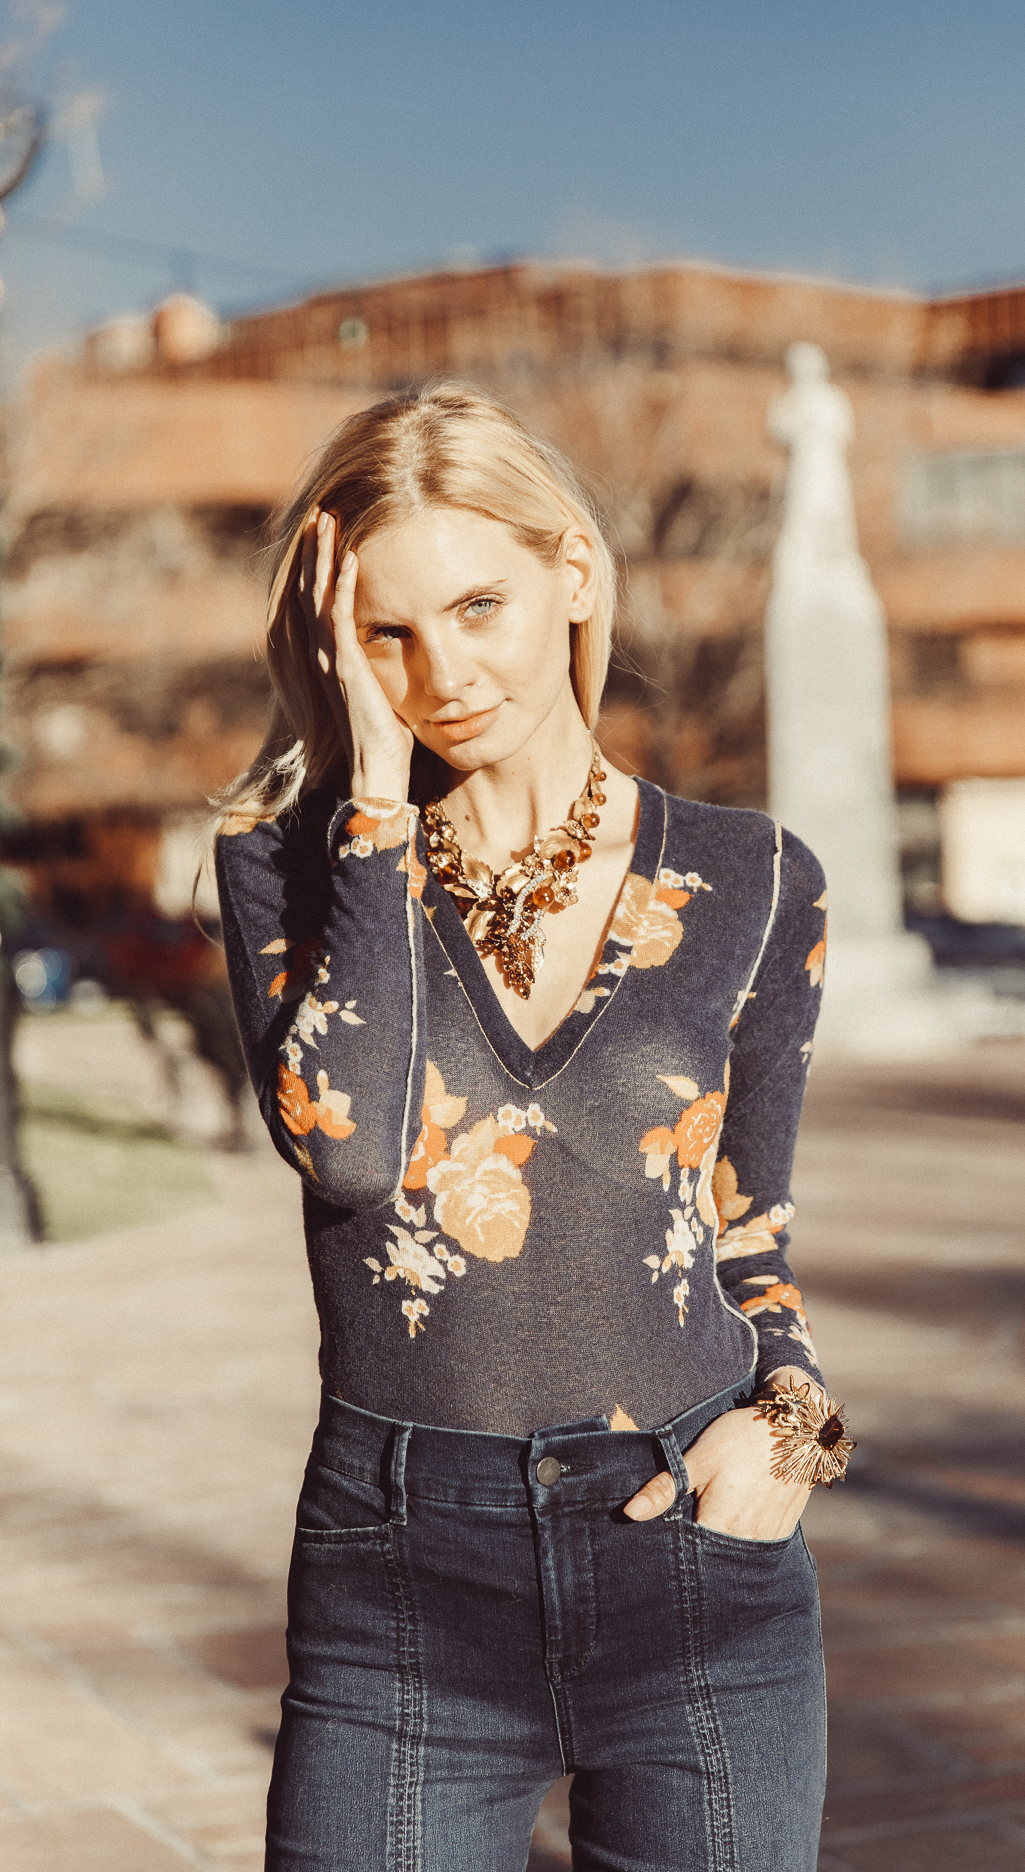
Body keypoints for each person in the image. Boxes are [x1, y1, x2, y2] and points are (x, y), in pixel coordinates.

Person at [213, 383, 849, 1872]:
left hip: (698, 1554)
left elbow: (748, 1228)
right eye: (388, 631)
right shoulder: (284, 870)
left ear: (572, 576)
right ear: (333, 642)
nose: (444, 670)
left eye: (480, 604)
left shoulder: (754, 879)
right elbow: (354, 1153)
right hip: (399, 1591)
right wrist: (374, 798)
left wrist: (794, 1432)